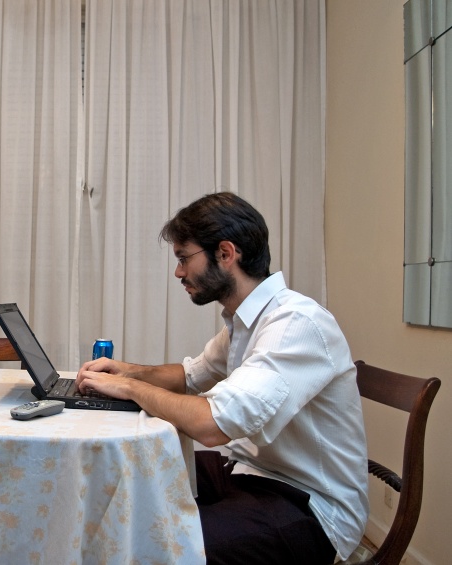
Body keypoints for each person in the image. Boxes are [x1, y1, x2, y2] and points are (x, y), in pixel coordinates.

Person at [75, 192, 368, 564]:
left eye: (184, 258)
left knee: (158, 547)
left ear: (226, 254)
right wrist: (126, 370)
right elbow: (190, 376)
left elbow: (212, 425)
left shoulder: (295, 324)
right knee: (127, 476)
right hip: (248, 473)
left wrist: (130, 387)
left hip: (309, 505)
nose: (179, 272)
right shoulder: (246, 320)